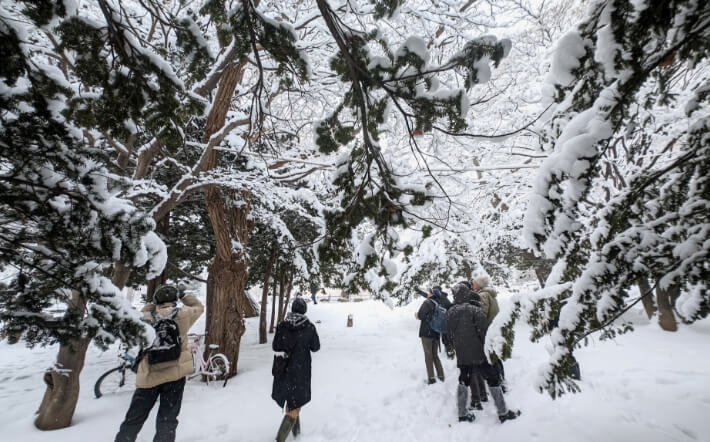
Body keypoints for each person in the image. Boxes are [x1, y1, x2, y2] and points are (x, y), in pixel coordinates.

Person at [115, 284, 204, 442]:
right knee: (167, 420)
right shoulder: (183, 314)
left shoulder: (145, 316)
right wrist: (183, 295)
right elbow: (198, 307)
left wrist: (151, 303)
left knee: (134, 419)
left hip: (149, 375)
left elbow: (142, 315)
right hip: (174, 375)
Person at [446, 281, 520, 423]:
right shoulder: (475, 310)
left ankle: (462, 414)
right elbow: (486, 333)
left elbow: (448, 335)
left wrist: (456, 347)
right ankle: (503, 412)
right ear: (467, 294)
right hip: (480, 353)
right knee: (492, 380)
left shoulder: (450, 312)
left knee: (463, 380)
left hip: (463, 354)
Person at [272, 297, 320, 442]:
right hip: (300, 372)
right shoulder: (309, 327)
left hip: (283, 371)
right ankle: (279, 439)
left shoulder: (282, 326)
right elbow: (316, 347)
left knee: (292, 402)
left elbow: (276, 346)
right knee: (295, 405)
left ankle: (296, 435)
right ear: (304, 310)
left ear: (292, 309)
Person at [472, 274, 505, 392]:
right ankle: (501, 377)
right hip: (493, 328)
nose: (473, 284)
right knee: (495, 356)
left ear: (479, 284)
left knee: (490, 356)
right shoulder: (490, 294)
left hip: (488, 330)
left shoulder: (483, 295)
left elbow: (482, 313)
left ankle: (498, 381)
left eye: (475, 282)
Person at [415, 287, 445, 384]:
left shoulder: (427, 303)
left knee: (428, 356)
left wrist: (417, 315)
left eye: (429, 292)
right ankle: (441, 375)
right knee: (435, 355)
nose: (428, 293)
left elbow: (420, 315)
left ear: (432, 294)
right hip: (436, 333)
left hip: (427, 333)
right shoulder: (440, 303)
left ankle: (431, 378)